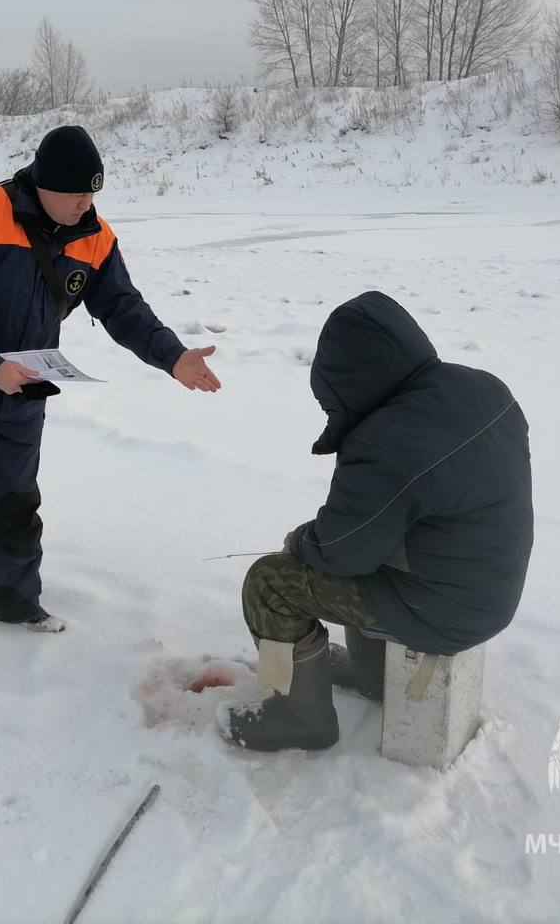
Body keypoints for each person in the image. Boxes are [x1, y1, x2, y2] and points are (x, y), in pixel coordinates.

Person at [0, 125, 221, 640]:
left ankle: (17, 600)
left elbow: (121, 307)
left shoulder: (95, 236)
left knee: (16, 503)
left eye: (93, 192)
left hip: (24, 394)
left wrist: (173, 357)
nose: (85, 204)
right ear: (44, 186)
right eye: (77, 193)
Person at [220, 291, 533, 751]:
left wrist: (300, 541)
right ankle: (371, 674)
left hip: (443, 609)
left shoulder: (387, 440)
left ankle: (301, 720)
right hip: (489, 588)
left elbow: (342, 550)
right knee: (375, 546)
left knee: (269, 582)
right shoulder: (482, 387)